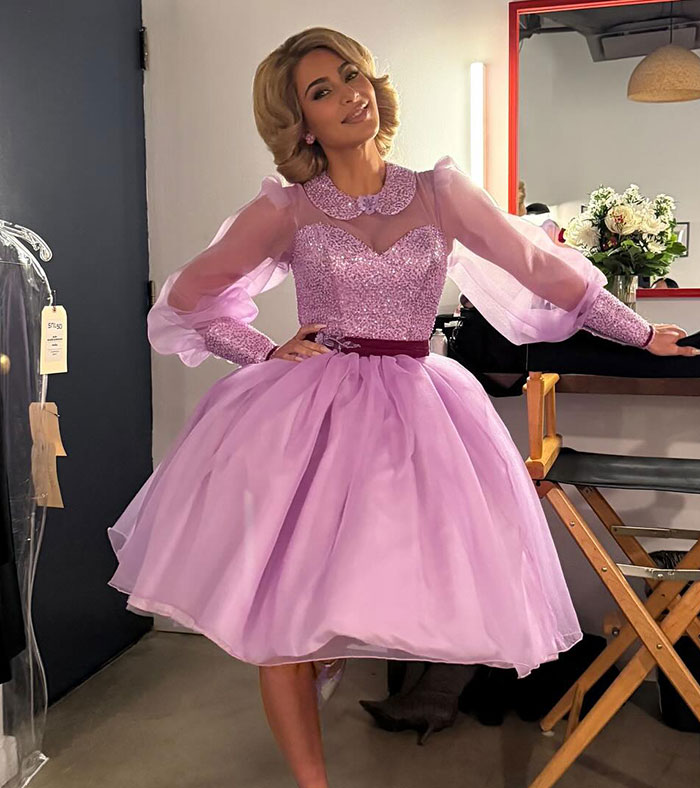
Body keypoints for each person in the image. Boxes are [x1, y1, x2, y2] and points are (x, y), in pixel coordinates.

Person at [105, 26, 699, 788]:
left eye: (350, 74)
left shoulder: (439, 191)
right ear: (300, 122)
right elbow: (188, 300)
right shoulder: (286, 210)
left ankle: (329, 652)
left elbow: (545, 271)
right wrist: (263, 352)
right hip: (309, 419)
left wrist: (642, 331)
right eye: (320, 91)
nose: (347, 93)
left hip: (418, 410)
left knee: (368, 583)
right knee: (282, 615)